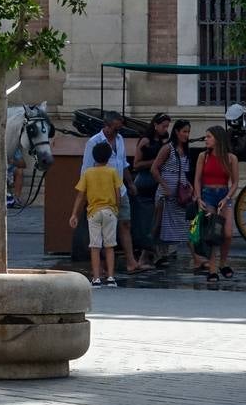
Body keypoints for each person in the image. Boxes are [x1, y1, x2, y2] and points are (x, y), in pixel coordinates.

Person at [81, 111, 137, 271]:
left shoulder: (119, 140)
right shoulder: (94, 142)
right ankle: (104, 265)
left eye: (119, 129)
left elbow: (123, 163)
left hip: (121, 189)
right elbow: (86, 169)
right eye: (115, 128)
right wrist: (86, 195)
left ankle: (131, 261)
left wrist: (130, 183)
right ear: (106, 126)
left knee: (125, 224)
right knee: (104, 229)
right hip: (102, 193)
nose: (117, 132)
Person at [150, 119, 205, 269]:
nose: (186, 135)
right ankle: (146, 255)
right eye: (184, 131)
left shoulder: (184, 151)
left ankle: (195, 257)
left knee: (186, 225)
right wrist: (164, 186)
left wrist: (190, 187)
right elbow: (154, 169)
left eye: (188, 132)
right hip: (166, 194)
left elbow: (184, 173)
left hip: (180, 194)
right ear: (177, 132)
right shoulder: (168, 148)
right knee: (158, 225)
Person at [69, 141, 120, 287]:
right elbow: (118, 193)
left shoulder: (88, 173)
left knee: (95, 246)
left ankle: (96, 278)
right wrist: (116, 209)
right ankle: (111, 277)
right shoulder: (112, 172)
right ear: (109, 157)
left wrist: (74, 214)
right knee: (110, 245)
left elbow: (80, 195)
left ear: (94, 157)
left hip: (93, 212)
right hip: (110, 211)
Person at [195, 126, 239, 281]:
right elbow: (198, 179)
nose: (205, 139)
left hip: (224, 195)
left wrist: (226, 198)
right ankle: (212, 269)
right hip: (208, 195)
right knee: (212, 234)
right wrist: (199, 198)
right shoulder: (203, 156)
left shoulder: (231, 158)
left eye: (209, 137)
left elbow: (235, 183)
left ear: (218, 139)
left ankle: (223, 263)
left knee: (227, 233)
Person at [132, 113, 171, 268]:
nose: (165, 129)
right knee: (149, 222)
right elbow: (136, 164)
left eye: (167, 126)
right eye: (163, 126)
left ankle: (153, 254)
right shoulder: (145, 141)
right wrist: (155, 162)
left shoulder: (163, 140)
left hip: (157, 182)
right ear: (155, 125)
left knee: (157, 221)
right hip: (145, 182)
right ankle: (144, 256)